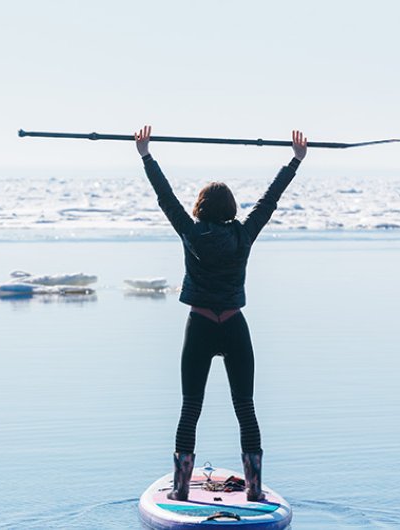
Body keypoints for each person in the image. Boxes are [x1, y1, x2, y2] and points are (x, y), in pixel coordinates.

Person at [134, 125, 307, 502]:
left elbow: (165, 199)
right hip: (233, 326)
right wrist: (294, 161)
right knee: (245, 407)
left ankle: (180, 490)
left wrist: (146, 155)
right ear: (230, 210)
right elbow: (268, 202)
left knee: (190, 407)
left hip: (199, 327)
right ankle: (255, 490)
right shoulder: (244, 236)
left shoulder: (191, 234)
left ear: (200, 208)